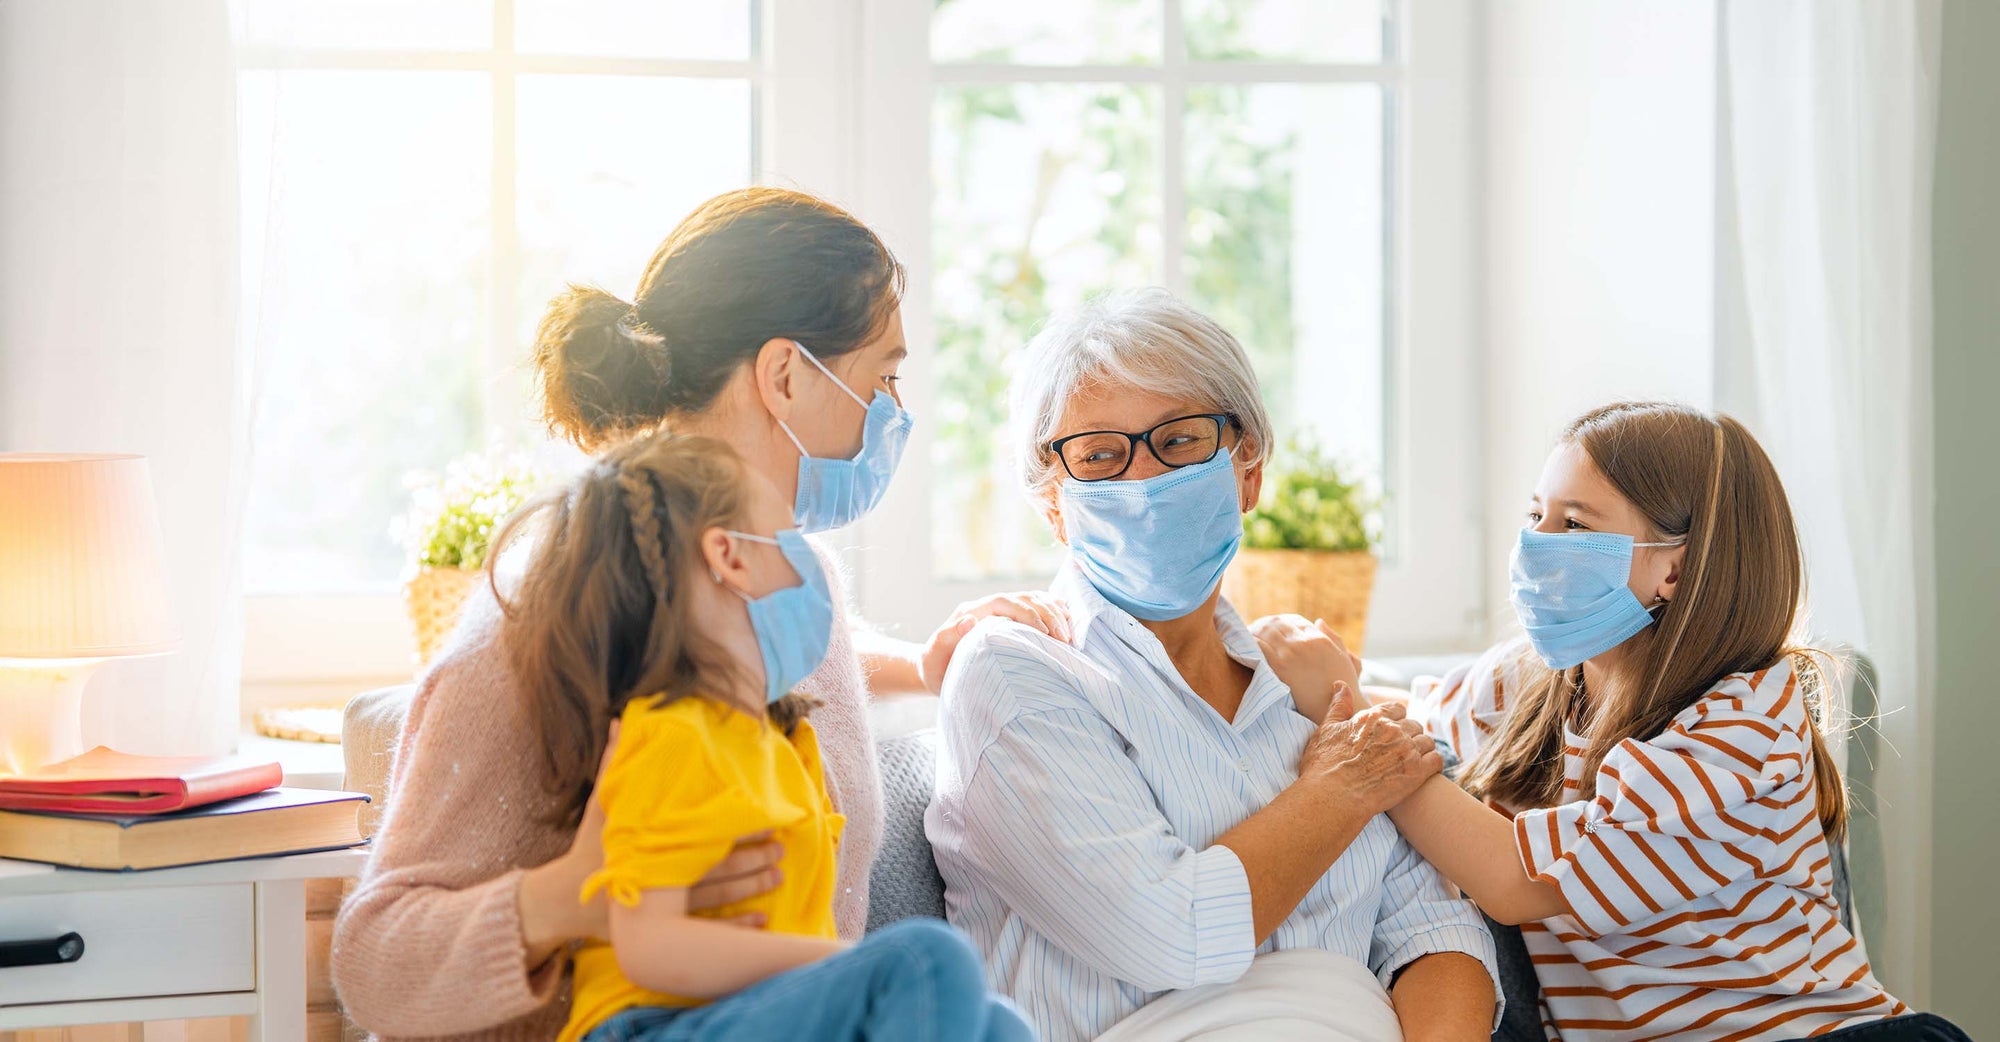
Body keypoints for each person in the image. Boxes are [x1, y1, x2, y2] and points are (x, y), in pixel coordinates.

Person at [333, 187, 1066, 1041]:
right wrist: (568, 898)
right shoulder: (547, 613)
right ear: (786, 376)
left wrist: (921, 666)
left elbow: (742, 669)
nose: (895, 415)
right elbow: (373, 961)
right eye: (884, 378)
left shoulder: (790, 585)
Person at [1267, 401, 1968, 1042]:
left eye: (1573, 524)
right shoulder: (1530, 684)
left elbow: (1515, 881)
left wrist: (1351, 721)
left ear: (1673, 569)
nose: (1534, 545)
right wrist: (1325, 685)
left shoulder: (1743, 729)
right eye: (1534, 514)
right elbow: (1419, 719)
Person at [927, 288, 1500, 1042]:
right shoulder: (1015, 676)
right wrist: (1342, 786)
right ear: (1053, 502)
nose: (1142, 481)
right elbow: (1175, 934)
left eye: (1180, 440)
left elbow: (1437, 932)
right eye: (1100, 455)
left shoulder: (1306, 686)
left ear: (1249, 471)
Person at [484, 430, 1030, 1042]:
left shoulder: (781, 740)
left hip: (750, 1015)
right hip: (651, 1027)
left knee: (1000, 1026)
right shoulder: (671, 732)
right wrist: (839, 966)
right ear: (732, 557)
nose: (811, 564)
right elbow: (648, 947)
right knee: (929, 960)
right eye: (790, 536)